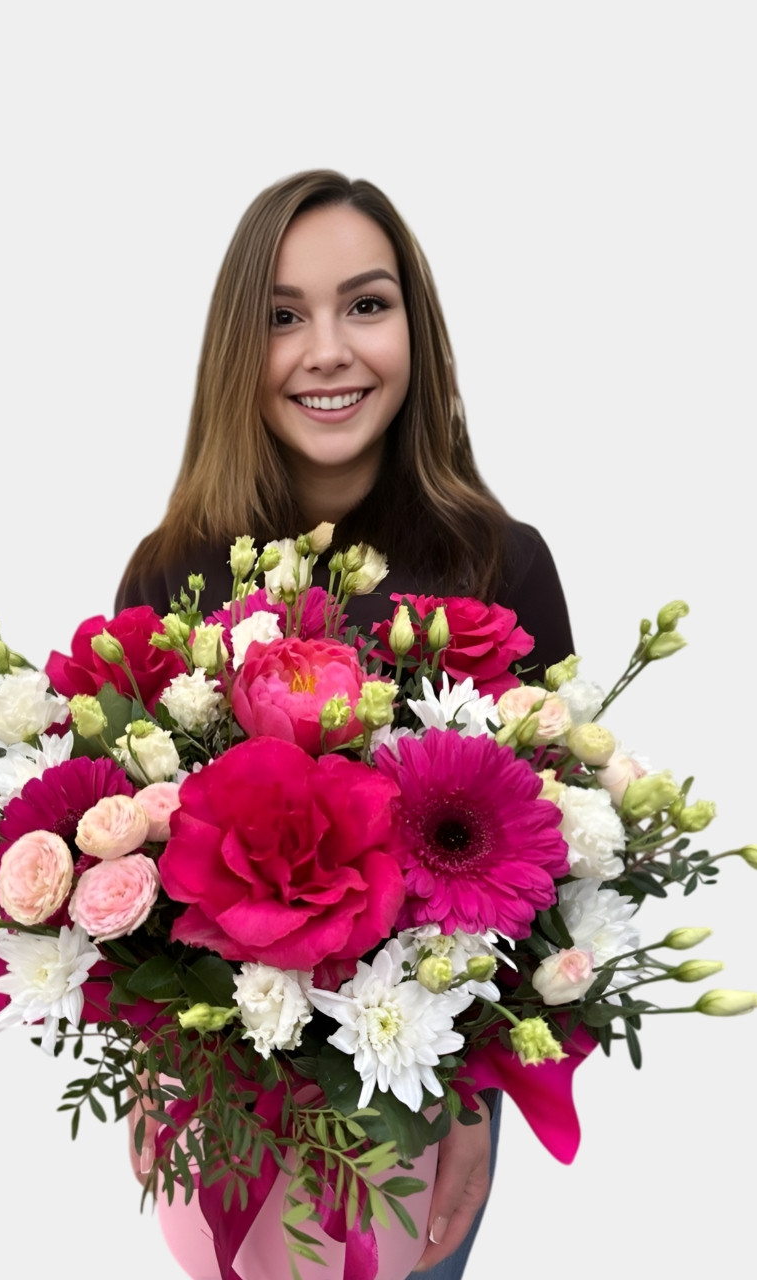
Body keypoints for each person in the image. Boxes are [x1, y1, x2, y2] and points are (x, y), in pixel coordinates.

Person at [116, 169, 574, 1279]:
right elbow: (124, 863)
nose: (328, 350)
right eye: (283, 317)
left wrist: (477, 1103)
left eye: (365, 304)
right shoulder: (173, 573)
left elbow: (552, 881)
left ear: (417, 329)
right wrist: (148, 1071)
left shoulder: (500, 567)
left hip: (420, 1107)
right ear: (239, 348)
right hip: (225, 1103)